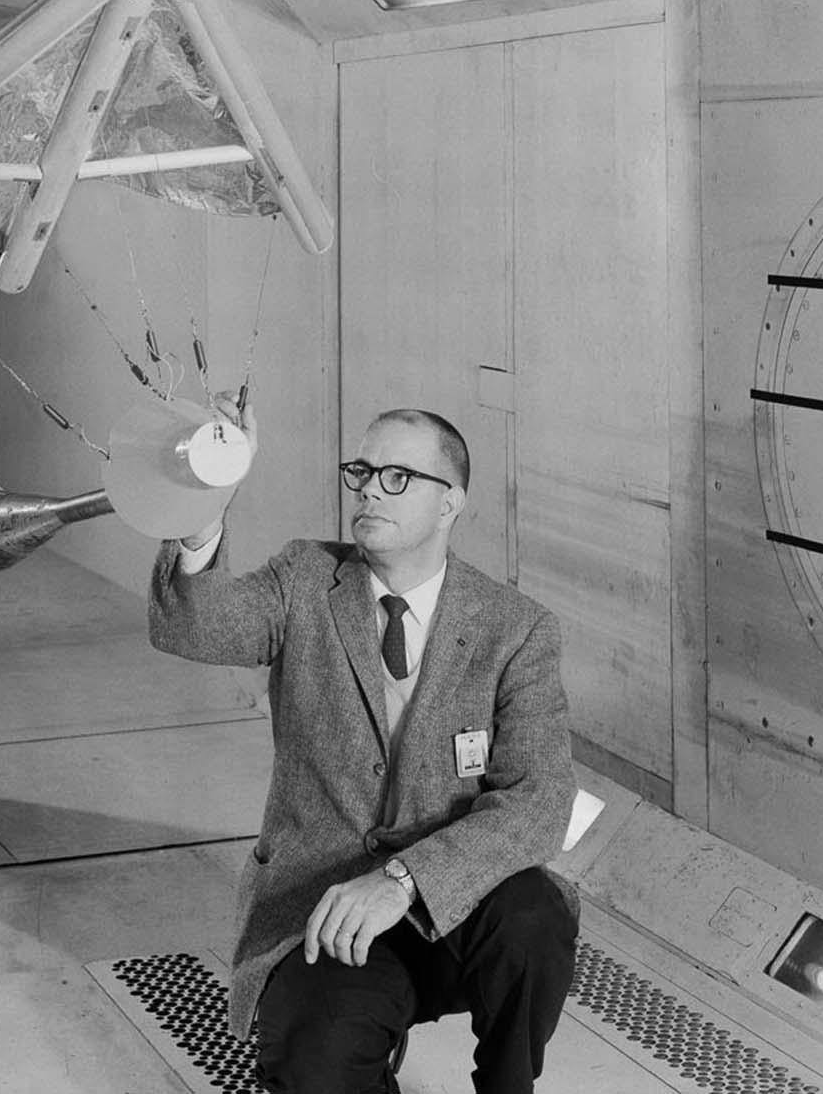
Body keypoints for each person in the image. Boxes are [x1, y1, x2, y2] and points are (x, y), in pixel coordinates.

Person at [148, 402, 579, 1094]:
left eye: (398, 475)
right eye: (363, 470)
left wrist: (404, 879)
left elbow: (540, 801)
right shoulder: (304, 580)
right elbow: (193, 626)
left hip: (458, 908)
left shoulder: (514, 628)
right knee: (313, 1065)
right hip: (326, 908)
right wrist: (207, 502)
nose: (370, 488)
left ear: (450, 502)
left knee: (535, 917)